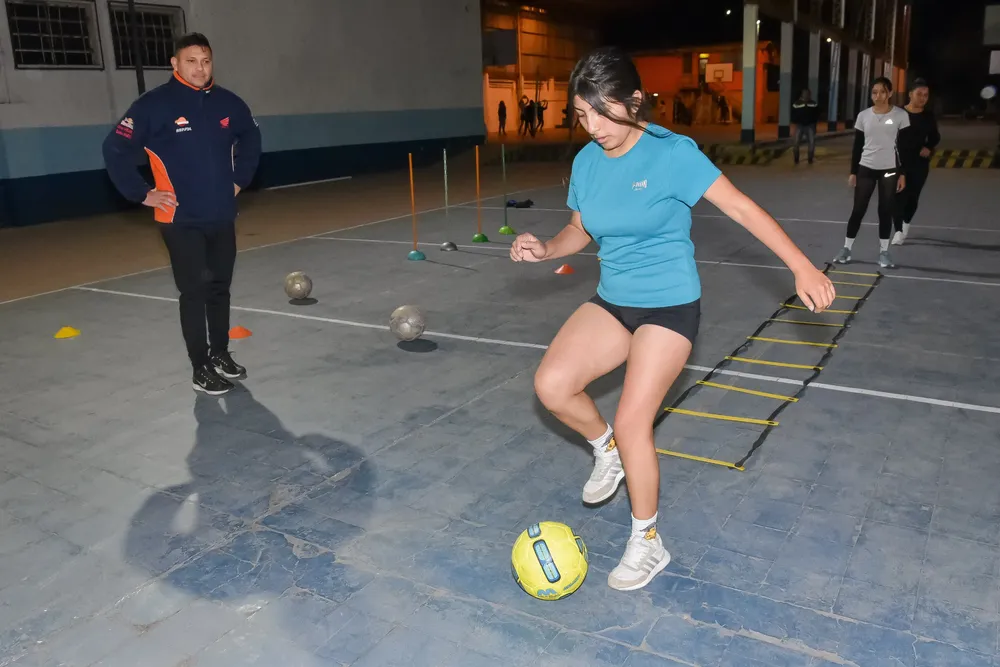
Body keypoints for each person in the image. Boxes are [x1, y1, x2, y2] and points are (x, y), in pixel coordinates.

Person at [508, 46, 835, 592]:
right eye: (582, 115)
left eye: (603, 112)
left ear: (635, 101)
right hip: (614, 301)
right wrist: (546, 248)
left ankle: (648, 542)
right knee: (552, 385)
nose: (594, 127)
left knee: (634, 420)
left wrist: (801, 265)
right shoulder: (587, 162)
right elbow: (579, 231)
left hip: (669, 305)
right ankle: (606, 449)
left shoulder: (672, 154)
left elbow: (740, 207)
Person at [103, 33, 262, 395]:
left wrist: (240, 179)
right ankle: (200, 367)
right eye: (191, 61)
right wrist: (142, 193)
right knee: (194, 292)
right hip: (180, 219)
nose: (200, 69)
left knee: (219, 288)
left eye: (205, 61)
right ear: (175, 64)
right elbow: (114, 148)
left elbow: (252, 137)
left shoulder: (229, 102)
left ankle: (220, 353)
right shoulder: (153, 105)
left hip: (221, 214)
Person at [833, 77, 909, 269]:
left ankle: (884, 252)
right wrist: (853, 172)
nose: (878, 96)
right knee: (858, 209)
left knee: (885, 210)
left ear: (890, 93)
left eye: (882, 92)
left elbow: (904, 148)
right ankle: (846, 249)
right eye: (874, 92)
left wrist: (902, 173)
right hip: (866, 168)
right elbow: (858, 145)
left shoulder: (900, 116)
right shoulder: (863, 116)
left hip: (889, 170)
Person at [893, 78, 939, 246]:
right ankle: (898, 230)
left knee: (912, 197)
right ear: (910, 94)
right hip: (897, 162)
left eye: (926, 95)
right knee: (897, 198)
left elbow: (935, 136)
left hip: (919, 164)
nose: (923, 98)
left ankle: (905, 224)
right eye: (919, 94)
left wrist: (929, 147)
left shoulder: (928, 116)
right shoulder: (897, 113)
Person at [790, 88, 820, 165]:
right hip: (800, 125)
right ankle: (796, 159)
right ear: (802, 94)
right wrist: (795, 122)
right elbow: (793, 114)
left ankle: (810, 159)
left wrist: (814, 123)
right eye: (805, 93)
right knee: (796, 143)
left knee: (812, 142)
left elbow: (817, 114)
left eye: (808, 93)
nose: (806, 95)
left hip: (810, 125)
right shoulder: (796, 104)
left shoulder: (813, 104)